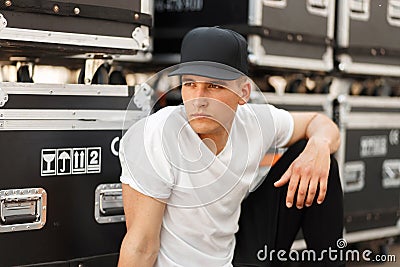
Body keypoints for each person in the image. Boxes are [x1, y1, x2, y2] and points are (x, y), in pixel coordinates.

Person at [118, 26, 343, 267]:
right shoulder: (156, 135)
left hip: (237, 256)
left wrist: (319, 145)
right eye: (190, 84)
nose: (199, 99)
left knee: (320, 161)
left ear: (243, 92)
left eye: (214, 86)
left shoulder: (255, 122)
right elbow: (141, 246)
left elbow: (319, 123)